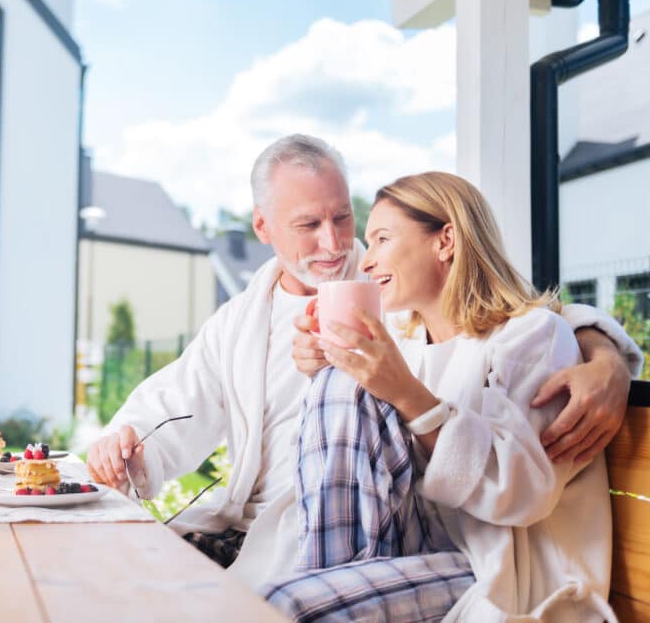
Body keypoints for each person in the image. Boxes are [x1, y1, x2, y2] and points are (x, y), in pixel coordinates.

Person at [86, 134, 641, 585]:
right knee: (123, 583)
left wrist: (606, 356)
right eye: (308, 225)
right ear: (263, 228)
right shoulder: (241, 320)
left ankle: (322, 584)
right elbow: (177, 402)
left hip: (365, 534)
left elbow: (507, 312)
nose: (335, 244)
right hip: (253, 529)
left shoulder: (387, 282)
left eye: (343, 219)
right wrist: (128, 439)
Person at [265, 171, 618, 621]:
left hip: (496, 571)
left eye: (382, 239)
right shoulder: (408, 349)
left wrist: (410, 397)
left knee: (288, 604)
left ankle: (324, 588)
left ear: (445, 240)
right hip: (415, 545)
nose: (366, 262)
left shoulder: (532, 336)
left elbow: (524, 494)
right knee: (339, 383)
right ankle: (328, 580)